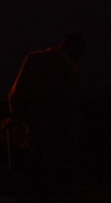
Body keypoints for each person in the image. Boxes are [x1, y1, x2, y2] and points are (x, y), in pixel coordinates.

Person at [7, 33, 85, 181]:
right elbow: (72, 109)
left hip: (31, 130)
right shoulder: (71, 72)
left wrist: (18, 119)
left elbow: (15, 94)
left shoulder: (33, 59)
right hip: (55, 135)